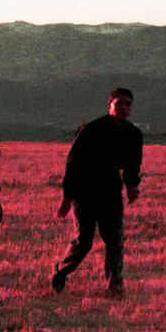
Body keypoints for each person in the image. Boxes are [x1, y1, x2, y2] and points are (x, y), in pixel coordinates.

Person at [51, 88, 143, 297]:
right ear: (110, 105)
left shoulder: (133, 134)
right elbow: (72, 164)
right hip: (84, 193)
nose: (123, 108)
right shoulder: (90, 130)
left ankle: (115, 286)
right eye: (119, 103)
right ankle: (61, 271)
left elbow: (132, 165)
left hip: (111, 193)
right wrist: (67, 198)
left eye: (128, 104)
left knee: (115, 241)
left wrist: (131, 186)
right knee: (84, 241)